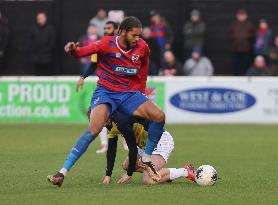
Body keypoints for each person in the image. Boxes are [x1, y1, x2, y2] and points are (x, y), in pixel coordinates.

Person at [47, 16, 165, 187]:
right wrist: (73, 50)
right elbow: (82, 52)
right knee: (94, 129)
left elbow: (144, 68)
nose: (137, 39)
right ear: (122, 32)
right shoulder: (106, 43)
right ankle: (62, 172)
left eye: (139, 35)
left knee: (159, 116)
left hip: (129, 94)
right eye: (134, 35)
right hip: (106, 92)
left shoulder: (142, 47)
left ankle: (146, 159)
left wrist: (140, 91)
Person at [76, 21, 128, 154]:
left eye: (109, 28)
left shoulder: (124, 45)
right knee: (97, 115)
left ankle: (128, 141)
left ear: (117, 30)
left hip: (122, 87)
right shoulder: (100, 44)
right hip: (105, 87)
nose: (105, 30)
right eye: (104, 28)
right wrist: (83, 77)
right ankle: (104, 144)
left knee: (125, 115)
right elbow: (93, 63)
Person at [102, 111, 196, 185]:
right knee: (127, 166)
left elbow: (133, 149)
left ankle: (185, 171)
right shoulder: (110, 126)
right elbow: (111, 151)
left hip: (159, 141)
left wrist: (129, 174)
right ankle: (163, 174)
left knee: (148, 180)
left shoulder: (121, 121)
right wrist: (108, 175)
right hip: (144, 146)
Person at [229, 9, 255, 76]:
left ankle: (245, 75)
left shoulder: (249, 24)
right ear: (237, 16)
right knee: (235, 63)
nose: (241, 17)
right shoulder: (234, 24)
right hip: (236, 48)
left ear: (246, 16)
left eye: (242, 15)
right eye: (239, 15)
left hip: (246, 48)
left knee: (246, 63)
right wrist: (235, 39)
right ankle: (236, 75)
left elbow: (253, 35)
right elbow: (230, 34)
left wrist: (246, 38)